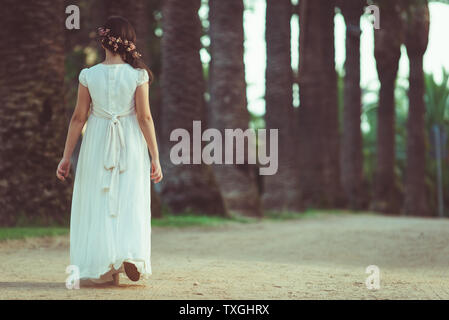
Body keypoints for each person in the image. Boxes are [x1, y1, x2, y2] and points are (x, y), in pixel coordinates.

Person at [56, 16, 162, 286]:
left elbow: (79, 118)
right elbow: (144, 118)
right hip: (130, 141)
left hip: (98, 141)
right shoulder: (138, 75)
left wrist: (66, 156)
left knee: (100, 199)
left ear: (103, 41)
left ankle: (106, 267)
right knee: (129, 196)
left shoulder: (89, 75)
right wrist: (155, 156)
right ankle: (128, 253)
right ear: (129, 41)